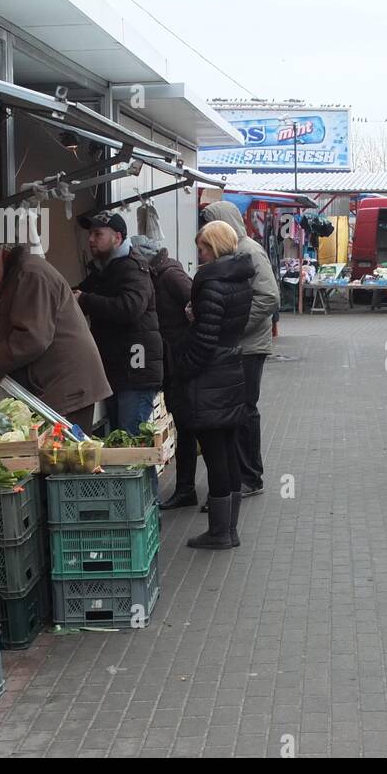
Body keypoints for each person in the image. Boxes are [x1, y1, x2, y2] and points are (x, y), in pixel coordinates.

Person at [0, 244, 111, 434]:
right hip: (61, 382)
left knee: (66, 455)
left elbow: (32, 338)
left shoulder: (29, 274)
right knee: (65, 454)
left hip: (66, 383)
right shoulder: (21, 273)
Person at [178, 220, 255, 549]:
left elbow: (205, 340)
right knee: (228, 449)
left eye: (204, 247)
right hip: (232, 369)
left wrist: (183, 367)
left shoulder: (211, 282)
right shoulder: (240, 278)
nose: (201, 254)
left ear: (218, 246)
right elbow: (223, 326)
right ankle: (230, 528)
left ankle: (219, 532)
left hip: (209, 378)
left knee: (215, 454)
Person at [201, 201, 280, 499]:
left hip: (249, 347)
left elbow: (269, 297)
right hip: (240, 346)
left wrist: (235, 325)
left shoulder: (250, 251)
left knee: (245, 411)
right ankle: (243, 475)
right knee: (239, 411)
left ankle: (251, 476)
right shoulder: (235, 252)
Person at [75, 211, 164, 434]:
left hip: (135, 371)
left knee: (131, 443)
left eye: (98, 234)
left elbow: (130, 307)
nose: (91, 239)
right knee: (121, 440)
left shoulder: (132, 267)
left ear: (117, 237)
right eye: (90, 234)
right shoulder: (103, 269)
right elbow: (79, 291)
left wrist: (85, 300)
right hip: (118, 370)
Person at [139, 236, 199, 511]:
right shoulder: (159, 273)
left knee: (191, 427)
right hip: (174, 362)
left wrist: (187, 346)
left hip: (180, 362)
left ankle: (194, 490)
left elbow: (197, 305)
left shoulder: (170, 275)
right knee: (185, 428)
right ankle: (186, 489)